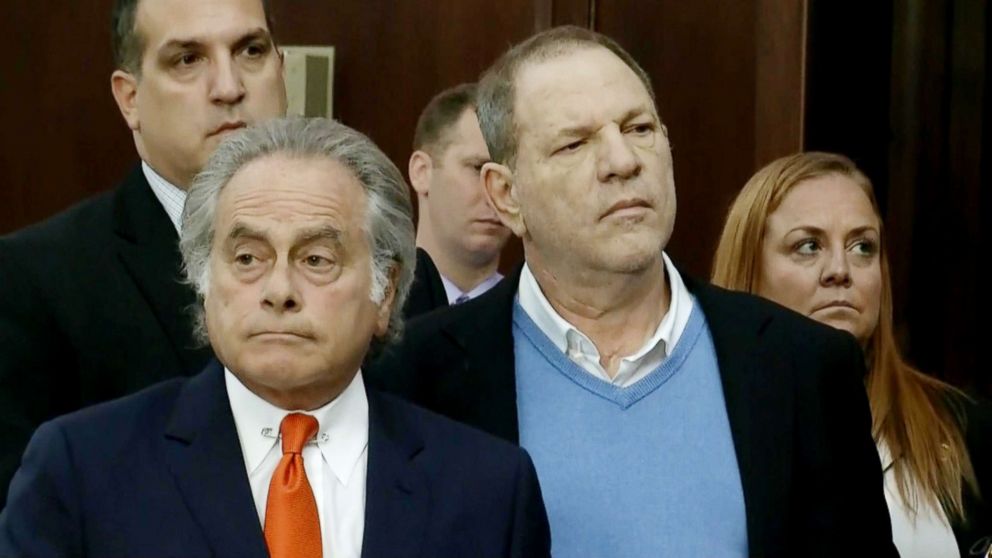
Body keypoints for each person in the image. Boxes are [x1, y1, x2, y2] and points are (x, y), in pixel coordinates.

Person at [367, 26, 897, 557]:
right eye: (575, 143)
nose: (623, 161)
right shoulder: (413, 376)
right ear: (506, 196)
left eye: (639, 128)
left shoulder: (802, 367)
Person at [0, 117, 551, 558]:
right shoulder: (83, 468)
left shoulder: (487, 490)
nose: (279, 290)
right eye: (247, 258)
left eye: (316, 259)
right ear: (204, 283)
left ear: (385, 292)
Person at [0, 0, 288, 504]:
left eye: (250, 50)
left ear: (281, 68)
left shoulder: (368, 262)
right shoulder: (35, 280)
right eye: (187, 59)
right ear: (129, 98)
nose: (229, 87)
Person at [712, 151, 991, 558]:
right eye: (808, 246)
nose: (840, 269)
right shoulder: (698, 431)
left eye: (863, 246)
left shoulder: (964, 428)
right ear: (748, 270)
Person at [405, 83, 511, 317]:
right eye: (479, 169)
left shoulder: (541, 320)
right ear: (422, 172)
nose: (497, 192)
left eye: (510, 174)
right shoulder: (370, 315)